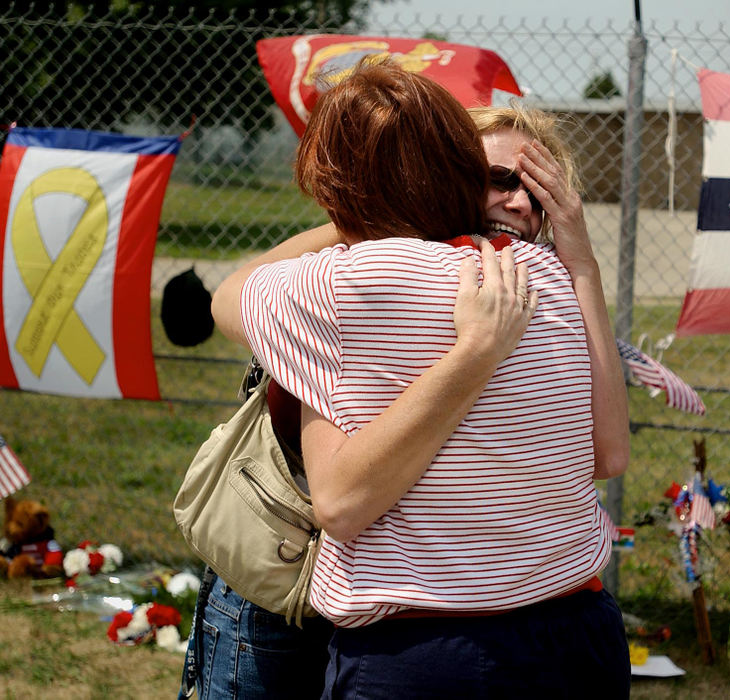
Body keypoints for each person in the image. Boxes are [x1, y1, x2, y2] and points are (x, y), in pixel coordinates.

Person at [196, 61, 629, 698]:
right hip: (573, 635)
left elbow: (339, 502)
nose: (517, 201)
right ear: (451, 174)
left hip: (418, 646)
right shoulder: (554, 286)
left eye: (539, 190)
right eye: (499, 179)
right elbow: (612, 452)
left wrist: (356, 217)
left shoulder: (337, 286)